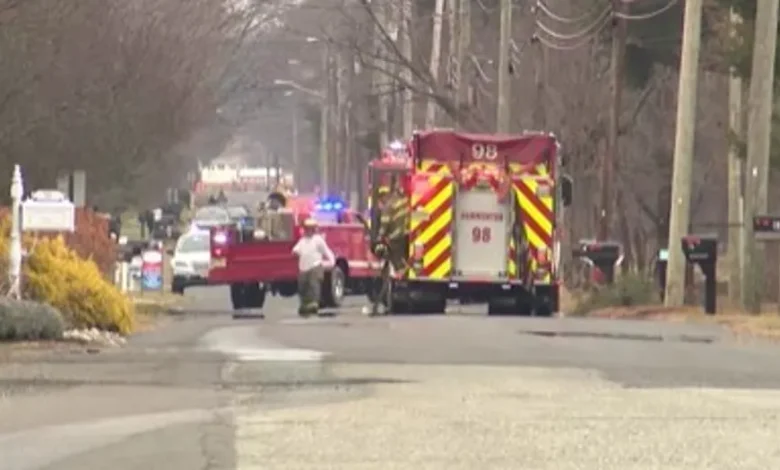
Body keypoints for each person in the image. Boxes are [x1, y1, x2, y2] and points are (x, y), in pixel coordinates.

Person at [292, 218, 335, 316]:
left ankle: (314, 303)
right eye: (306, 228)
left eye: (310, 228)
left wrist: (330, 263)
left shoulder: (318, 240)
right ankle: (305, 304)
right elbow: (296, 250)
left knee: (314, 284)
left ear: (314, 229)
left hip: (315, 266)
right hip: (303, 268)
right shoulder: (302, 240)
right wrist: (295, 253)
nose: (308, 230)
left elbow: (327, 251)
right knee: (302, 286)